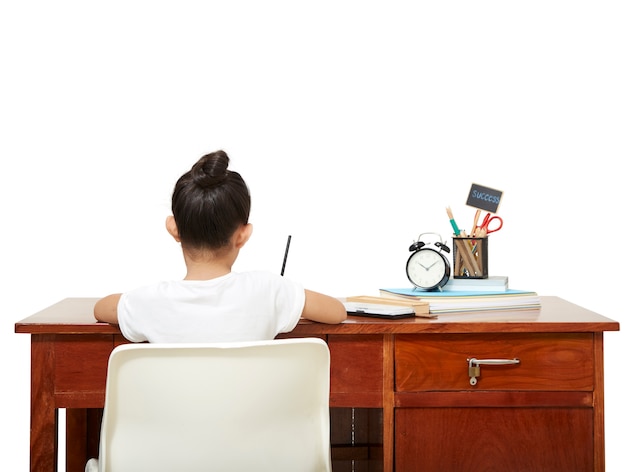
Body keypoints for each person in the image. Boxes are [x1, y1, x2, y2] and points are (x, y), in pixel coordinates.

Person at [94, 150, 346, 342]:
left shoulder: (148, 301)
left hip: (174, 413)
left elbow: (101, 308)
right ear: (243, 235)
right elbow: (337, 312)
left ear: (173, 228)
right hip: (251, 413)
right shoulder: (269, 290)